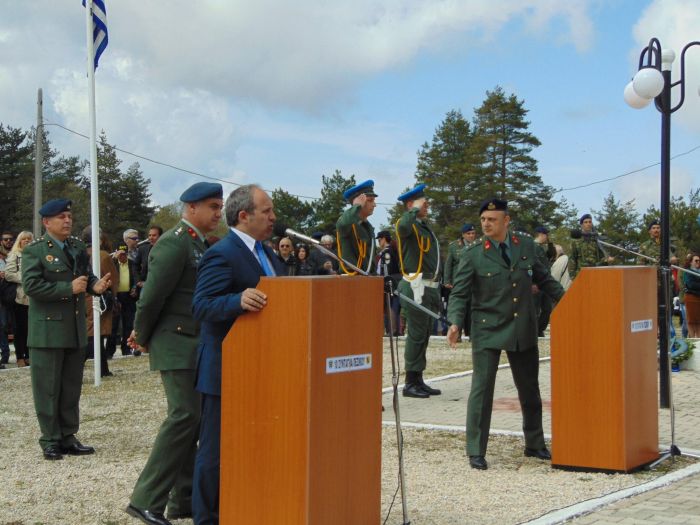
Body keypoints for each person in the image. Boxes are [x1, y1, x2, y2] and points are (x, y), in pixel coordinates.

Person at [125, 182, 223, 525]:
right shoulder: (173, 242)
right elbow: (151, 297)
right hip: (174, 340)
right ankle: (145, 499)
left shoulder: (196, 242)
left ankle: (183, 499)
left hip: (191, 341)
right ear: (191, 207)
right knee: (184, 416)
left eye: (219, 206)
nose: (218, 213)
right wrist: (143, 335)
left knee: (192, 419)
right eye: (212, 206)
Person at [446, 198, 564, 471]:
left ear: (506, 221)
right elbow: (460, 293)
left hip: (521, 326)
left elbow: (545, 281)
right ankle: (476, 449)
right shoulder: (473, 254)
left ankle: (534, 443)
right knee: (482, 389)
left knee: (529, 389)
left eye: (492, 220)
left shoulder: (526, 247)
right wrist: (454, 322)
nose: (486, 224)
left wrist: (570, 302)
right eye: (483, 220)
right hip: (487, 327)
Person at [192, 184, 283, 525]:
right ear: (244, 216)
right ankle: (207, 517)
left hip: (264, 364)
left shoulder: (269, 253)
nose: (273, 217)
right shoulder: (223, 253)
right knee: (215, 450)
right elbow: (201, 305)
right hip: (226, 368)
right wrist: (237, 301)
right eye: (267, 211)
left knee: (255, 442)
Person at [22, 198, 111, 460]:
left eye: (69, 216)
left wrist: (96, 286)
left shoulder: (76, 246)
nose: (67, 220)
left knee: (71, 386)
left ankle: (68, 436)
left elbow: (86, 275)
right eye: (61, 217)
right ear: (46, 222)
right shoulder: (35, 251)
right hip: (47, 331)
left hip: (74, 328)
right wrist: (67, 289)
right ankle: (50, 439)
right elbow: (31, 287)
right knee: (48, 388)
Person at [394, 184, 442, 398]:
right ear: (411, 205)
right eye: (424, 203)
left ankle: (418, 378)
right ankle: (409, 383)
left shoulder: (423, 227)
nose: (427, 206)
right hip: (414, 285)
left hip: (428, 286)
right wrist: (412, 210)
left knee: (423, 335)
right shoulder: (408, 224)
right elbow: (403, 226)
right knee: (415, 335)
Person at [82, 228, 118, 377]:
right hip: (99, 298)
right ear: (100, 239)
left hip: (83, 297)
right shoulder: (102, 255)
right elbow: (113, 279)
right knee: (95, 333)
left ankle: (103, 368)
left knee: (94, 333)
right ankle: (78, 364)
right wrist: (114, 296)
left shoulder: (81, 253)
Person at [444, 223, 478, 340]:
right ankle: (456, 334)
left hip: (473, 283)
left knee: (472, 309)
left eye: (473, 233)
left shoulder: (478, 245)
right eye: (469, 233)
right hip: (457, 282)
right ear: (463, 235)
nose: (471, 236)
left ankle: (471, 335)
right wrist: (447, 280)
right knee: (459, 309)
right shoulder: (454, 246)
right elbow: (448, 265)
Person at [5, 230, 33, 367]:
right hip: (19, 297)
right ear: (19, 241)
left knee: (31, 328)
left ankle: (28, 355)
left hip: (33, 298)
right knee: (19, 329)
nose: (27, 241)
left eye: (29, 239)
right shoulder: (14, 255)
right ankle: (20, 356)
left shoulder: (36, 256)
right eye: (24, 239)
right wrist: (26, 280)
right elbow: (8, 274)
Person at [336, 180, 377, 274]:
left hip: (367, 277)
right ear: (359, 202)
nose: (374, 205)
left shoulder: (368, 226)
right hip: (351, 278)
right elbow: (342, 224)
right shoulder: (347, 223)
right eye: (370, 200)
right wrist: (356, 206)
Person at [568, 213, 613, 278]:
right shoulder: (576, 241)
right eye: (585, 222)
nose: (588, 224)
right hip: (581, 275)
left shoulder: (596, 240)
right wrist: (573, 277)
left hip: (595, 274)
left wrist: (606, 260)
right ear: (581, 225)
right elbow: (572, 260)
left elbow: (600, 258)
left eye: (590, 222)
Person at [533, 226, 556, 337]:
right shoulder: (533, 247)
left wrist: (550, 243)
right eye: (546, 235)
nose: (547, 237)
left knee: (547, 308)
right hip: (537, 283)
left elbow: (552, 255)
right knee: (536, 309)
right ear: (541, 235)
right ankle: (534, 330)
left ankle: (539, 329)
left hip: (545, 282)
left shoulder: (541, 247)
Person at [376, 230, 401, 336]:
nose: (378, 242)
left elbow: (387, 268)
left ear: (384, 239)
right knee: (391, 305)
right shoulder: (389, 250)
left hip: (389, 280)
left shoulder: (387, 252)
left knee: (390, 305)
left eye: (379, 239)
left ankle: (392, 329)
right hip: (392, 280)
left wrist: (384, 280)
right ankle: (393, 329)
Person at [683, 254, 700, 338]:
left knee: (698, 321)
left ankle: (698, 340)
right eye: (696, 260)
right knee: (692, 321)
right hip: (691, 298)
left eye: (699, 260)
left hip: (698, 298)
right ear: (690, 262)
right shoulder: (688, 272)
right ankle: (693, 340)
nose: (698, 262)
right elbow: (690, 285)